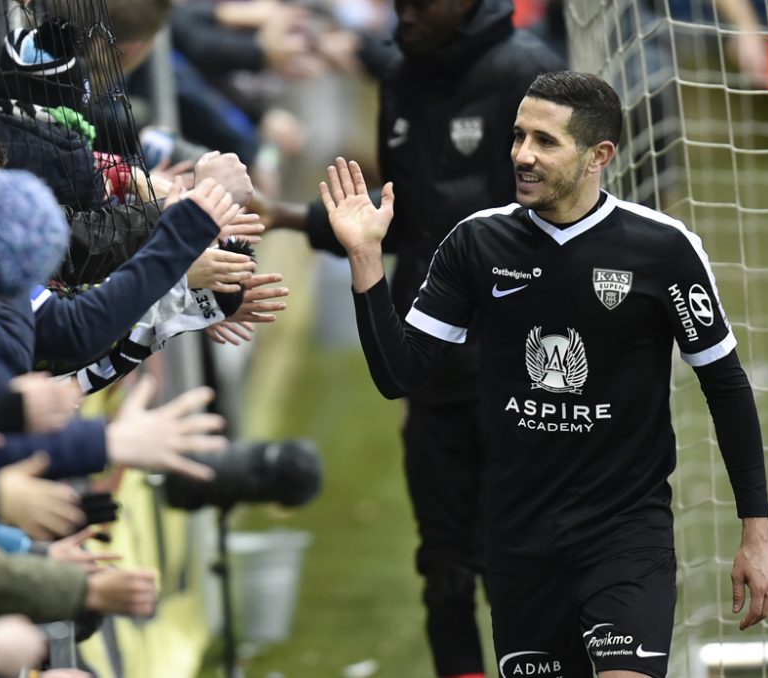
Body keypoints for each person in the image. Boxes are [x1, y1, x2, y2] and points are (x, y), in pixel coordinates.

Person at [320, 71, 768, 677]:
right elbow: (399, 374)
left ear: (599, 156)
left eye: (544, 140)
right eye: (517, 136)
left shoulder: (663, 250)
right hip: (519, 543)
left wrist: (757, 534)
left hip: (624, 533)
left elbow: (725, 386)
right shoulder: (476, 245)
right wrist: (364, 259)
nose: (522, 155)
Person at [267, 1, 562, 675]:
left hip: (522, 374)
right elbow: (400, 220)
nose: (403, 18)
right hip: (433, 369)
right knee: (445, 568)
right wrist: (284, 216)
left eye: (420, 5)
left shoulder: (532, 77)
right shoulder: (403, 72)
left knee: (529, 568)